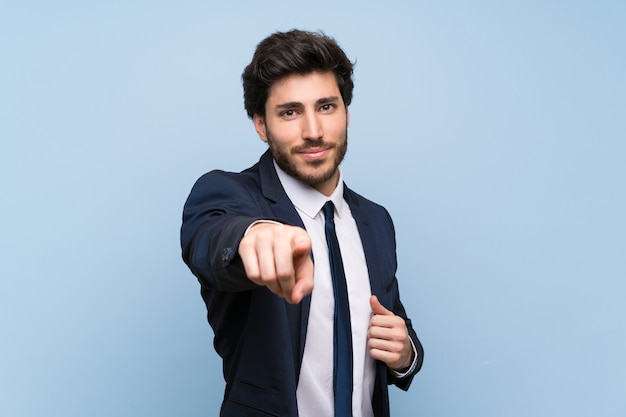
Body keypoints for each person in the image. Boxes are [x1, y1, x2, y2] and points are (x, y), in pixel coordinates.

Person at [180, 29, 423, 417]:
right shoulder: (229, 194)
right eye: (290, 112)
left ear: (346, 112)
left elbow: (393, 320)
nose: (313, 131)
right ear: (261, 124)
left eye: (326, 106)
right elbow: (212, 239)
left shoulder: (377, 221)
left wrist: (405, 353)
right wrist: (251, 237)